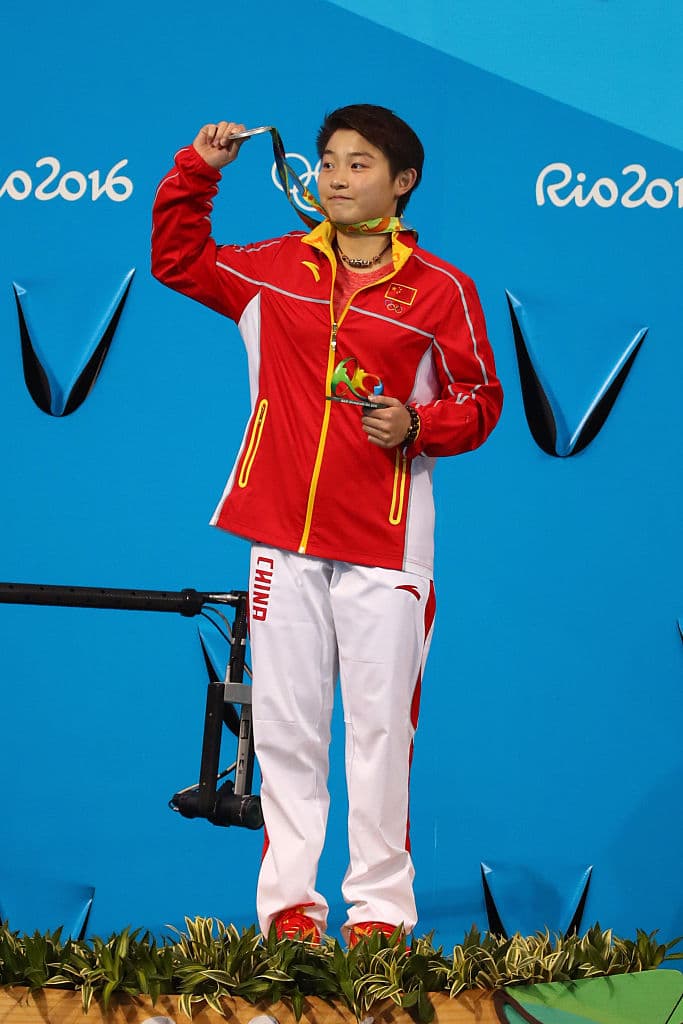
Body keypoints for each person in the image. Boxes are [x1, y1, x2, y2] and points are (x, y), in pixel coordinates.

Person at [152, 104, 503, 946]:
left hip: (386, 545)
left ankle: (378, 914)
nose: (337, 177)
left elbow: (481, 399)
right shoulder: (274, 267)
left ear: (402, 181)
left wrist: (419, 424)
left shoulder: (442, 289)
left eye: (358, 163)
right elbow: (178, 260)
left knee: (379, 735)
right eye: (329, 161)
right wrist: (197, 171)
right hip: (280, 536)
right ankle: (290, 913)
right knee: (286, 733)